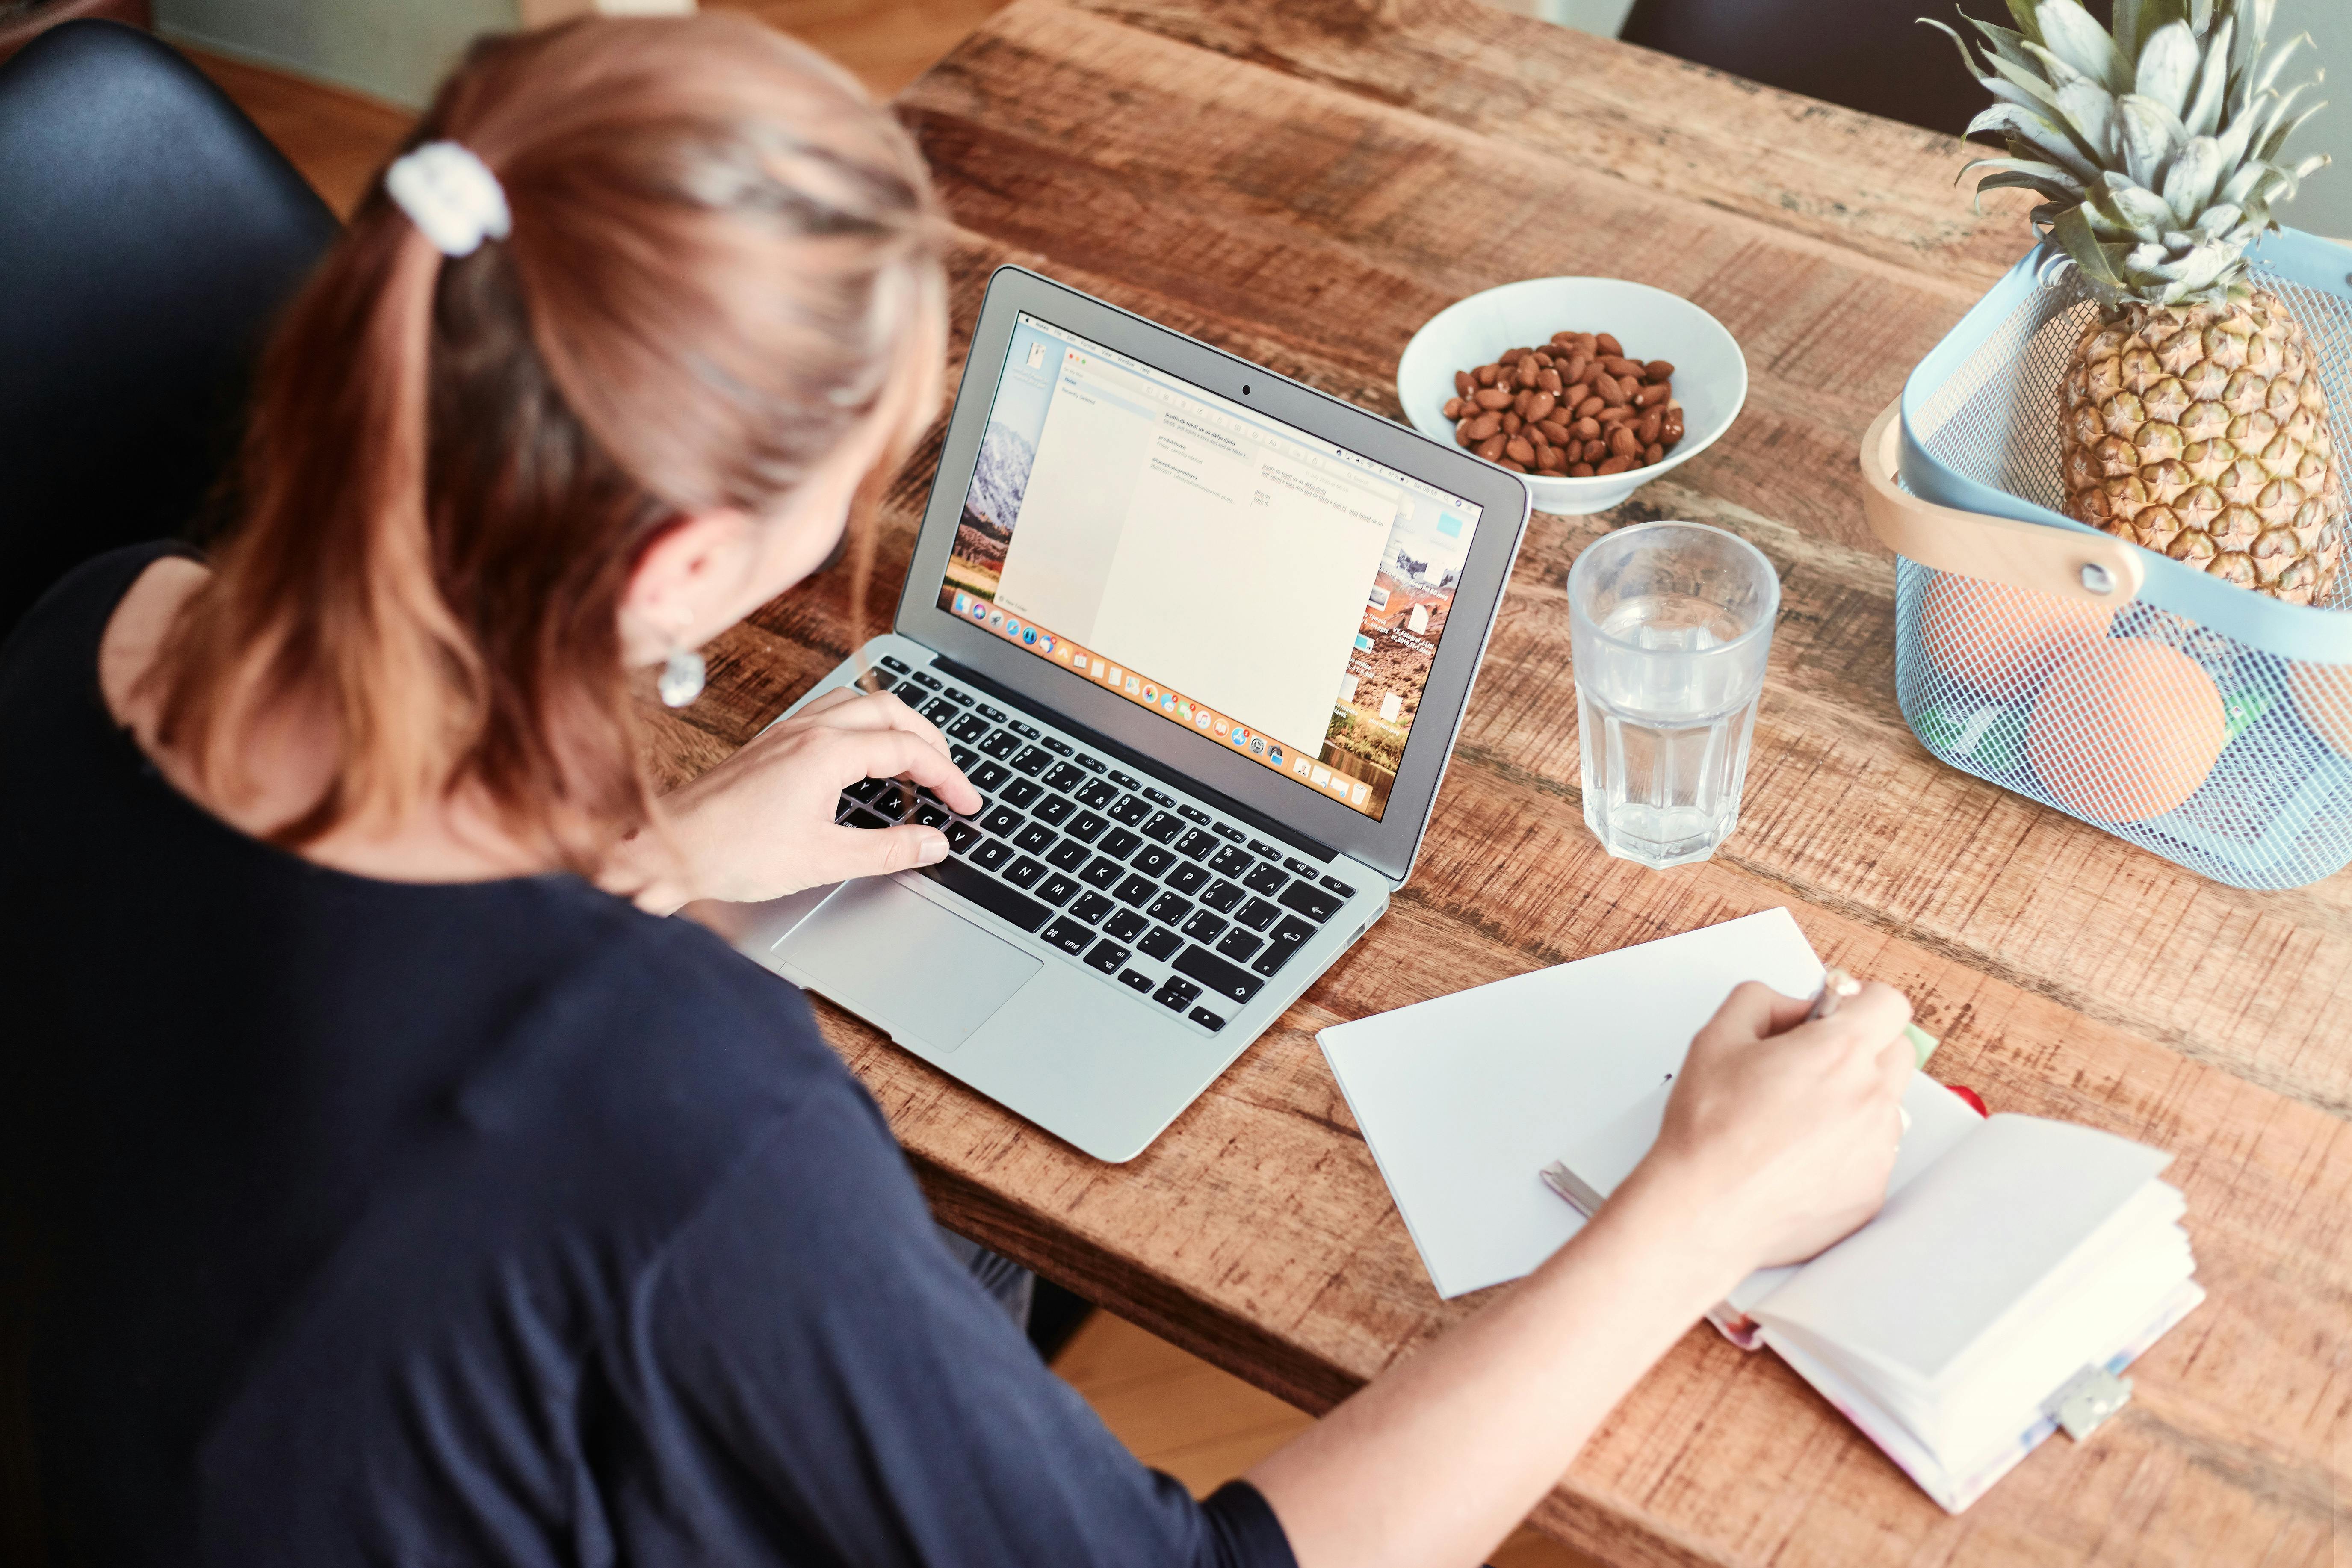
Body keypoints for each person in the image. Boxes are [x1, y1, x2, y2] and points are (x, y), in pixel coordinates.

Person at [0, 15, 1916, 1568]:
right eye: (865, 475)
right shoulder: (700, 1112)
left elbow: (326, 1006)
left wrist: (650, 855)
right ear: (677, 572)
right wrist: (1693, 1201)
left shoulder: (99, 632)